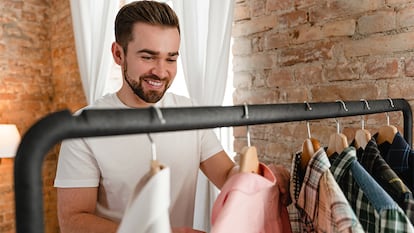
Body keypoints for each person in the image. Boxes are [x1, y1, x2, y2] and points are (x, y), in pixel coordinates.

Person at [54, 1, 290, 233]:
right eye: (147, 57)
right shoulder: (83, 128)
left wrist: (262, 178)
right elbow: (74, 221)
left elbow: (227, 175)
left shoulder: (191, 115)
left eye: (171, 59)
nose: (160, 71)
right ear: (118, 54)